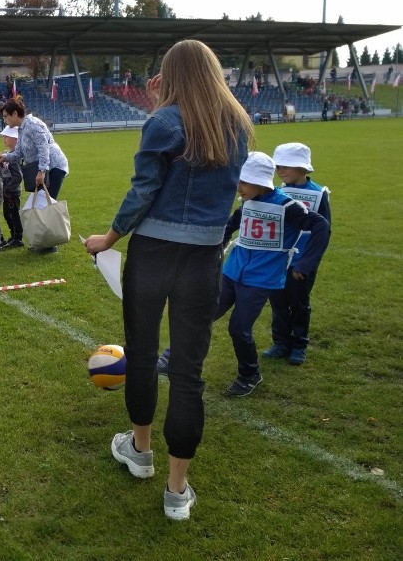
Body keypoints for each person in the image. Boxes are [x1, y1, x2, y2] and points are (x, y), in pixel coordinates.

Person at [83, 39, 253, 521]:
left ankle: (140, 452)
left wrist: (109, 238)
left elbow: (146, 189)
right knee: (188, 374)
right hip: (202, 261)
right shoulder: (238, 124)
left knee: (140, 357)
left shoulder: (163, 121)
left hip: (153, 255)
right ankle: (177, 490)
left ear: (170, 75)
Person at [205, 152, 329, 397]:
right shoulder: (249, 199)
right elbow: (236, 219)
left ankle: (250, 374)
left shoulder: (287, 206)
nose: (237, 187)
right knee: (205, 312)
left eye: (243, 181)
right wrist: (222, 240)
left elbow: (321, 225)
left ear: (260, 182)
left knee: (238, 328)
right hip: (232, 271)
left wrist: (305, 263)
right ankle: (173, 357)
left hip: (260, 280)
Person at [264, 143, 332, 365]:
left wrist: (307, 263)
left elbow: (323, 231)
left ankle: (299, 344)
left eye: (286, 166)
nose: (280, 171)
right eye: (278, 167)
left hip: (302, 262)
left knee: (299, 303)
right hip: (277, 260)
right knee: (278, 303)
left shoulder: (319, 194)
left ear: (303, 168)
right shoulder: (275, 193)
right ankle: (280, 343)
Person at [0, 96, 69, 253]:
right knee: (40, 204)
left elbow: (43, 148)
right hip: (46, 167)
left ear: (15, 113)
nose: (5, 120)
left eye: (6, 116)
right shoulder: (22, 128)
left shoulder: (33, 124)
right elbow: (20, 153)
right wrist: (5, 156)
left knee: (44, 205)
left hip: (54, 167)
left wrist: (42, 170)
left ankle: (49, 244)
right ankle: (44, 242)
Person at [0, 125, 24, 249]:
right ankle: (13, 236)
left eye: (7, 136)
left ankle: (18, 238)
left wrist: (9, 189)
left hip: (12, 192)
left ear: (16, 139)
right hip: (7, 190)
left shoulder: (14, 157)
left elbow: (18, 176)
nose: (4, 138)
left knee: (13, 214)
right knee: (7, 214)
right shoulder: (7, 154)